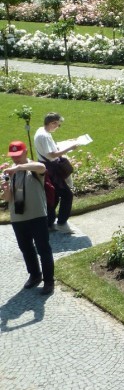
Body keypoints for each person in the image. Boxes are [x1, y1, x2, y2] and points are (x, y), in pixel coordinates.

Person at [2, 141, 55, 295]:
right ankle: (35, 275)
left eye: (18, 155)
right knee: (25, 248)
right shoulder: (10, 172)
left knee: (43, 249)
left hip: (37, 215)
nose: (15, 159)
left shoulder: (33, 167)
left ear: (25, 152)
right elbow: (8, 199)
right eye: (13, 156)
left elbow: (42, 168)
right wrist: (5, 190)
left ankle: (49, 281)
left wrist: (19, 167)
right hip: (18, 217)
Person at [33, 112, 78, 234]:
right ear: (52, 123)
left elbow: (50, 148)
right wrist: (70, 148)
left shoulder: (41, 131)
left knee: (53, 196)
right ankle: (62, 223)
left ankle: (48, 223)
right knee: (66, 195)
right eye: (57, 125)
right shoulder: (45, 136)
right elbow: (52, 154)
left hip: (47, 167)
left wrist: (67, 142)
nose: (58, 127)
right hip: (51, 169)